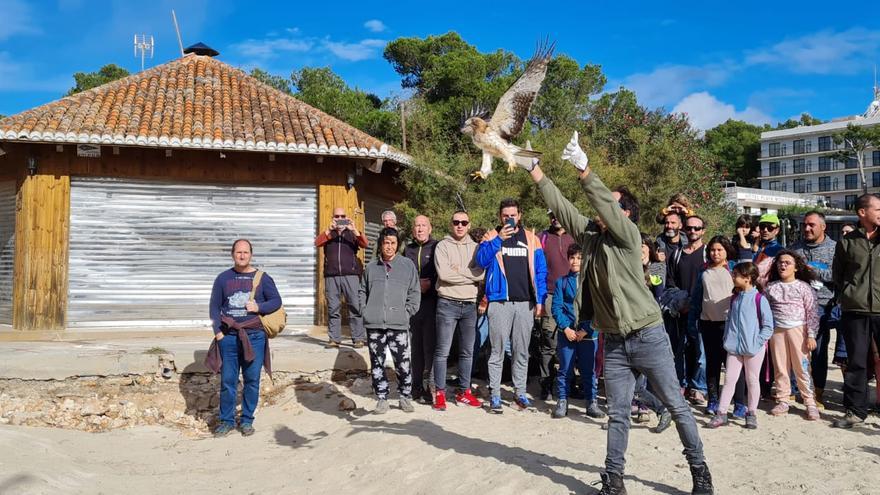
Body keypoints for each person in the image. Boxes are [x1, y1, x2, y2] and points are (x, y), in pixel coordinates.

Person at [525, 132, 713, 495]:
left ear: (625, 213)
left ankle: (700, 470)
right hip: (613, 341)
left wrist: (584, 169)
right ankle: (614, 480)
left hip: (648, 335)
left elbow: (603, 203)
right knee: (619, 413)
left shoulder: (628, 237)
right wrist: (534, 170)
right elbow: (562, 206)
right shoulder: (591, 238)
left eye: (611, 205)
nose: (601, 210)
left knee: (676, 405)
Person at [477, 198, 548, 413]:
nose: (509, 218)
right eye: (505, 215)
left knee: (521, 351)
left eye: (513, 215)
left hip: (525, 303)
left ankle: (519, 392)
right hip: (499, 302)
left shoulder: (531, 239)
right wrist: (498, 239)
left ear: (520, 215)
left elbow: (541, 272)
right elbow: (481, 261)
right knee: (497, 350)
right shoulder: (491, 236)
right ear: (500, 216)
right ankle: (496, 395)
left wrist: (540, 300)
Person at [209, 239, 282, 437]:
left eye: (246, 252)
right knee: (228, 380)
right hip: (229, 337)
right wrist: (218, 332)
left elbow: (276, 301)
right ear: (233, 254)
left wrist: (259, 307)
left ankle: (247, 420)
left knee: (252, 379)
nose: (242, 255)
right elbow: (214, 307)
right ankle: (226, 421)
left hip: (255, 336)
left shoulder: (262, 278)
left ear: (251, 254)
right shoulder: (223, 278)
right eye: (238, 252)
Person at [360, 227, 421, 414]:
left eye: (393, 243)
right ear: (380, 244)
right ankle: (381, 398)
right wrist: (366, 311)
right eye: (386, 243)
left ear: (398, 245)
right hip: (375, 324)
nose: (389, 247)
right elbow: (362, 291)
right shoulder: (371, 268)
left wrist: (407, 312)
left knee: (402, 363)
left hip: (398, 323)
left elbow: (414, 292)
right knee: (377, 363)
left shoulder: (407, 265)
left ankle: (404, 397)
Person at [706, 262, 773, 430]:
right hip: (733, 347)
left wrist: (757, 343)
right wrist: (727, 338)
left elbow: (768, 326)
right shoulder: (735, 298)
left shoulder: (760, 299)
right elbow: (729, 320)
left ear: (748, 278)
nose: (733, 277)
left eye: (736, 274)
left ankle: (751, 413)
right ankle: (721, 413)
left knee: (752, 381)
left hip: (754, 350)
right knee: (729, 379)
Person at [832, 193, 880, 428]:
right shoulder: (847, 242)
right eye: (878, 210)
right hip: (855, 310)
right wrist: (851, 294)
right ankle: (856, 411)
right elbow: (838, 275)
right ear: (863, 213)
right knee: (857, 361)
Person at [432, 211, 485, 410]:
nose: (460, 225)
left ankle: (464, 392)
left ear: (469, 225)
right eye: (456, 222)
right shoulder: (442, 246)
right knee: (442, 351)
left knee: (467, 352)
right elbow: (444, 275)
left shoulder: (477, 248)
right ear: (451, 224)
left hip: (469, 305)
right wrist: (469, 275)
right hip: (447, 303)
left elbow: (482, 273)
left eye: (464, 222)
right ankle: (440, 393)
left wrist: (458, 271)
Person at [764, 250, 820, 420]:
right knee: (780, 367)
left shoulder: (804, 287)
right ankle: (783, 399)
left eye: (787, 263)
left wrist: (811, 335)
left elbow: (812, 312)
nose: (783, 265)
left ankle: (810, 402)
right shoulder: (771, 287)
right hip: (777, 331)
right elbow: (764, 310)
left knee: (802, 367)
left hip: (798, 330)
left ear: (796, 267)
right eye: (780, 262)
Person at [551, 244, 605, 419]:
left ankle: (591, 402)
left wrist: (586, 329)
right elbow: (556, 307)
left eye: (579, 258)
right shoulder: (561, 282)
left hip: (588, 334)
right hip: (567, 333)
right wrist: (565, 327)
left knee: (588, 371)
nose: (575, 261)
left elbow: (599, 308)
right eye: (572, 257)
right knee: (565, 369)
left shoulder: (593, 282)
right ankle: (562, 401)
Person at [789, 211, 837, 408]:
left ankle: (817, 391)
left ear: (823, 227)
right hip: (795, 305)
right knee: (794, 347)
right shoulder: (795, 248)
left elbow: (839, 275)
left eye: (811, 225)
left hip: (822, 305)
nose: (807, 228)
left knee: (817, 350)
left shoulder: (835, 249)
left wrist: (813, 271)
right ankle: (793, 390)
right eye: (804, 225)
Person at [688, 236, 739, 416]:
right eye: (712, 250)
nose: (715, 253)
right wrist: (692, 325)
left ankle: (739, 402)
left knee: (732, 364)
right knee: (712, 364)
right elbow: (696, 299)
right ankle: (713, 400)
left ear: (726, 251)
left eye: (719, 250)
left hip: (730, 325)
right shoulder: (703, 271)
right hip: (707, 323)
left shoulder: (733, 269)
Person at [669, 215, 709, 405]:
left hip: (703, 311)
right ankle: (681, 384)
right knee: (681, 351)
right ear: (684, 229)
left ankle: (699, 388)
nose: (693, 231)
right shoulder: (677, 254)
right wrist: (680, 302)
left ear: (703, 231)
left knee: (701, 352)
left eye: (697, 228)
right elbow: (671, 281)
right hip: (682, 310)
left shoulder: (708, 252)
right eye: (690, 228)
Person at [536, 210, 576, 400]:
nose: (555, 219)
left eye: (558, 214)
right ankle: (546, 383)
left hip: (574, 294)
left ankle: (571, 382)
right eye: (551, 215)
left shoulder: (575, 235)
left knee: (575, 338)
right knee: (549, 341)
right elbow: (535, 267)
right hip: (550, 294)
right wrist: (539, 299)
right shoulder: (542, 237)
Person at [314, 207, 368, 348]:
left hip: (351, 276)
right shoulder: (329, 234)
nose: (339, 219)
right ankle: (334, 339)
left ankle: (358, 339)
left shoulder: (351, 233)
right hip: (332, 276)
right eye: (337, 216)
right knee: (333, 308)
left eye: (342, 216)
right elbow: (317, 243)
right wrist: (328, 230)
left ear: (347, 217)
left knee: (356, 307)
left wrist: (354, 229)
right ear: (333, 218)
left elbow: (365, 244)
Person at [403, 215, 439, 404]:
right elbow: (401, 275)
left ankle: (430, 387)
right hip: (413, 305)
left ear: (430, 228)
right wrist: (417, 285)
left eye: (423, 225)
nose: (420, 229)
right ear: (412, 229)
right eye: (417, 225)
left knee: (430, 348)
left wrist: (430, 284)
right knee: (415, 348)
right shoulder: (408, 249)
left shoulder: (437, 247)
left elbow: (442, 273)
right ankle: (416, 386)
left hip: (432, 304)